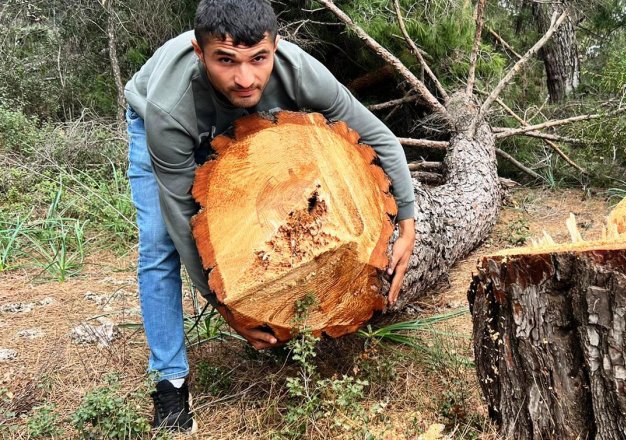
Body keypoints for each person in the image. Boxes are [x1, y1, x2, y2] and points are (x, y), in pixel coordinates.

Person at [123, 0, 416, 432]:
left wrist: (407, 219)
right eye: (226, 61)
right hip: (159, 120)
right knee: (158, 244)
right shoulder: (168, 111)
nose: (245, 78)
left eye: (259, 59)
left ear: (276, 48)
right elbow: (185, 221)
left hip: (245, 130)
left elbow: (378, 136)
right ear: (199, 52)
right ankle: (170, 382)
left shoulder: (298, 70)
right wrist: (227, 303)